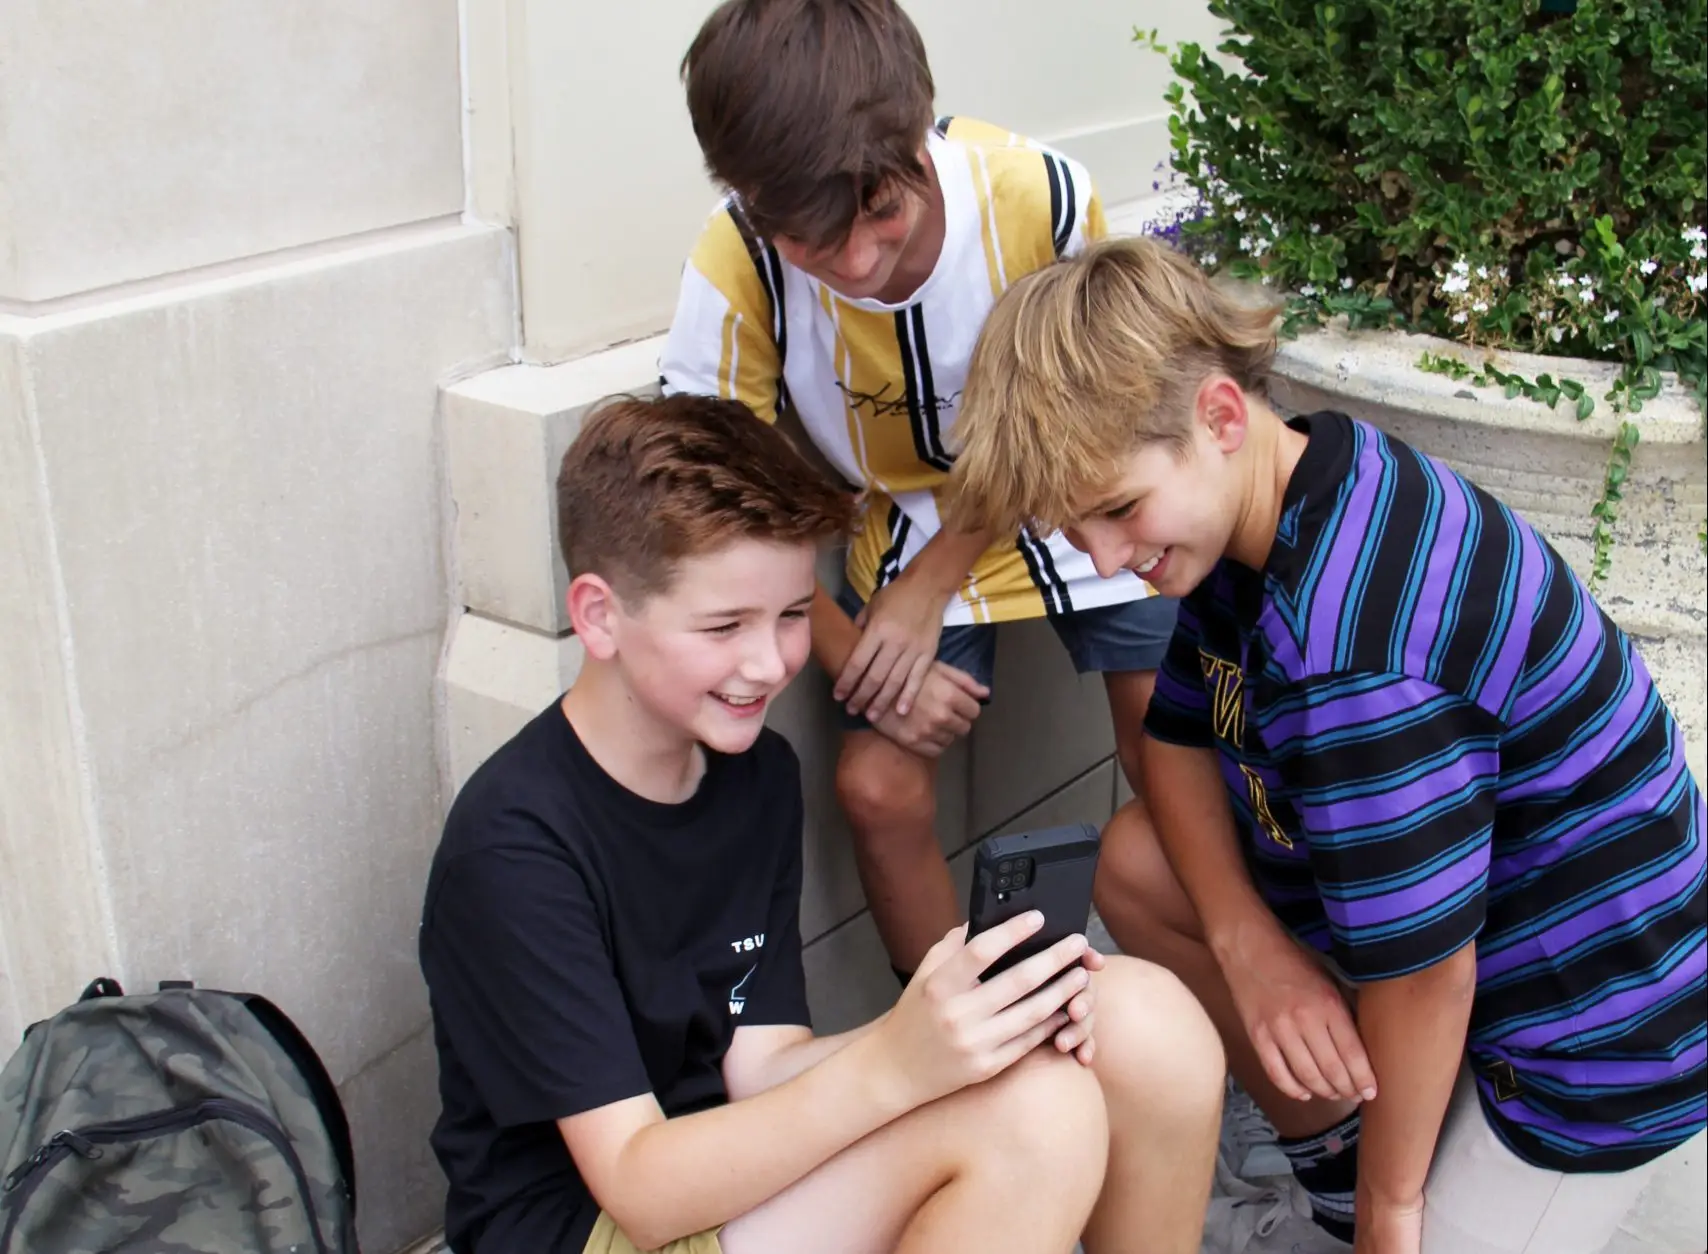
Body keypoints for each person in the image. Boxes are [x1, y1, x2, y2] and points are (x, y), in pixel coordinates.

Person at [947, 236, 1708, 1254]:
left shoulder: (1351, 650)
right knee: (1139, 860)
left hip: (1594, 1044)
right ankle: (1343, 1167)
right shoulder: (1281, 489)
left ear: (1219, 414)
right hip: (1464, 942)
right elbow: (1171, 740)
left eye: (1117, 512)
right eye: (1073, 535)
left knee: (1408, 1232)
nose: (1110, 561)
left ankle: (1379, 1188)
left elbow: (1427, 976)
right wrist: (1244, 943)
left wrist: (1397, 1218)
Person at [417, 393, 1226, 1254]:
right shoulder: (516, 848)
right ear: (598, 615)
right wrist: (897, 1064)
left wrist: (953, 1019)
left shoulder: (753, 774)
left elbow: (760, 1062)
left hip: (734, 1165)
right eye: (725, 625)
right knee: (1032, 1116)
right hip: (599, 1222)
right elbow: (642, 1187)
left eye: (794, 615)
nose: (769, 665)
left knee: (1147, 1020)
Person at [661, 0, 1178, 983]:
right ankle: (963, 1048)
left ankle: (1211, 991)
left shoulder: (1038, 197)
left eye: (882, 217)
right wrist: (860, 658)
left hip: (1065, 477)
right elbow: (705, 498)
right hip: (900, 512)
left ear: (917, 138)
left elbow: (1079, 416)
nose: (858, 264)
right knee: (874, 785)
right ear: (746, 199)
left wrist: (932, 583)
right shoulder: (735, 261)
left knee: (1172, 730)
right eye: (814, 246)